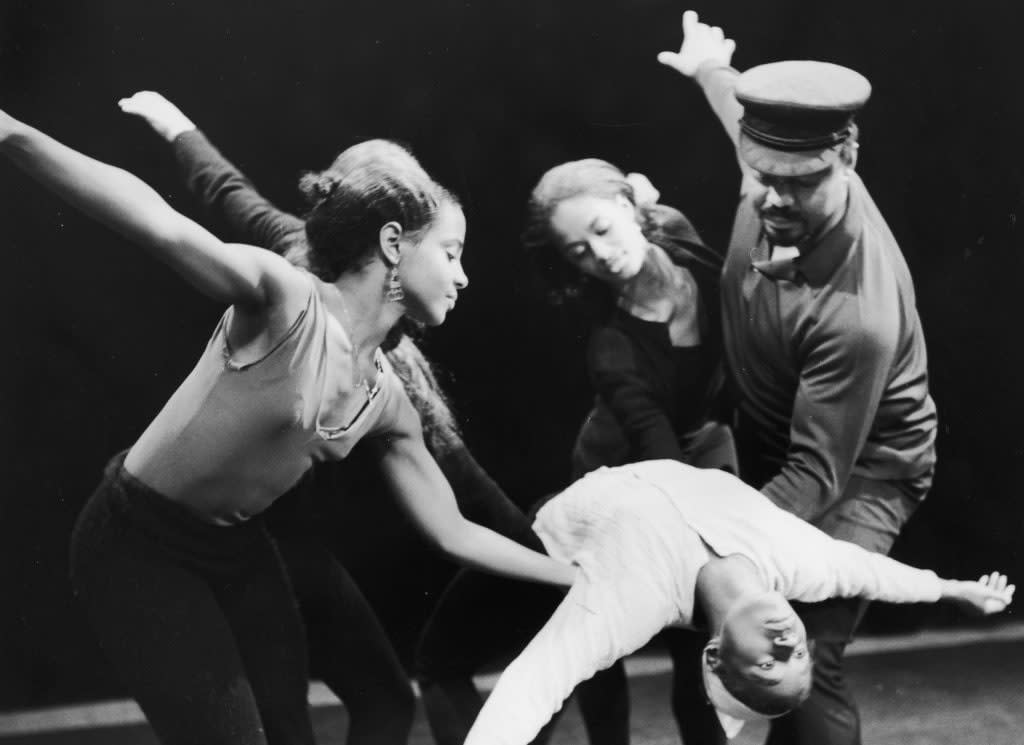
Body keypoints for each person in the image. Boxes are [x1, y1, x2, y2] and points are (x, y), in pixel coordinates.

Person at [0, 105, 576, 745]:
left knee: (335, 719)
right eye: (451, 252)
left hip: (238, 551)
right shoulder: (287, 300)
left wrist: (580, 578)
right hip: (137, 543)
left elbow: (454, 533)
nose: (463, 276)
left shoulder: (387, 399)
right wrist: (11, 132)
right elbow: (161, 225)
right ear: (392, 244)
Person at [656, 11, 940, 745]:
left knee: (794, 644)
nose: (774, 200)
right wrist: (714, 71)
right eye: (760, 177)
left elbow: (817, 475)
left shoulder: (858, 313)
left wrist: (704, 541)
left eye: (800, 184)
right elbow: (749, 122)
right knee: (712, 640)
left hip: (863, 474)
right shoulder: (777, 166)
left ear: (847, 158)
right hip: (775, 439)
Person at [416, 159, 735, 745]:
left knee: (700, 659)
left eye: (603, 230)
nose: (600, 255)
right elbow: (656, 450)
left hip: (701, 452)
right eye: (579, 251)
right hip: (619, 475)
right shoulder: (614, 345)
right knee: (601, 635)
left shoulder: (679, 238)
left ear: (631, 207)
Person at [462, 460, 1014, 745]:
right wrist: (955, 589)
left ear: (715, 655)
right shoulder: (796, 560)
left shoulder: (631, 599)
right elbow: (869, 573)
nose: (790, 644)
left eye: (769, 664)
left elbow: (531, 684)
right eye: (798, 657)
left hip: (542, 536)